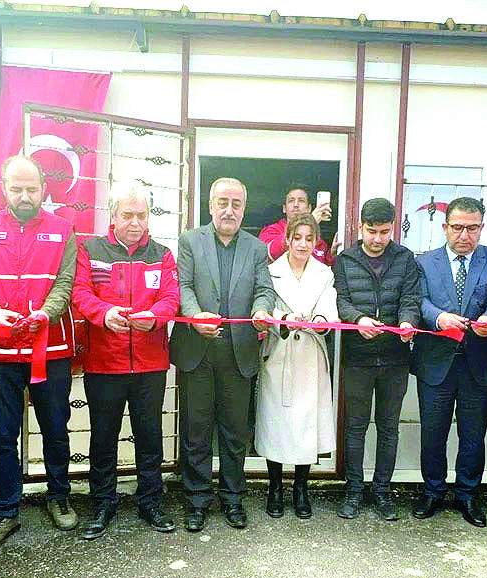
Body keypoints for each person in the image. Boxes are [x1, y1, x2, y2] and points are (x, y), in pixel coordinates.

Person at [0, 155, 80, 552]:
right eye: (17, 189)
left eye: (32, 188)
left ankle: (58, 497)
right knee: (1, 436)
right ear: (4, 187)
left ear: (44, 188)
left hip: (52, 347)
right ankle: (5, 510)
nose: (25, 196)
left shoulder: (64, 229)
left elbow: (66, 280)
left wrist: (48, 311)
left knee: (55, 429)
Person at [71, 181, 180, 539]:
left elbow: (171, 297)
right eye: (127, 215)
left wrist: (157, 317)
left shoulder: (162, 254)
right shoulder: (90, 250)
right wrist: (103, 314)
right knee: (103, 437)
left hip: (150, 364)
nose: (135, 222)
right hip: (105, 363)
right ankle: (103, 502)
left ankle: (150, 500)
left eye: (141, 215)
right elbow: (80, 294)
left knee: (150, 436)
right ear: (113, 216)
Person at [171, 177, 274, 532]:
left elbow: (264, 290)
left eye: (236, 204)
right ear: (211, 205)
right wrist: (194, 314)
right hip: (197, 351)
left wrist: (262, 312)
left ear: (244, 208)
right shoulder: (189, 241)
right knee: (196, 431)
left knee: (234, 433)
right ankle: (197, 500)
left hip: (238, 352)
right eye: (223, 202)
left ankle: (232, 499)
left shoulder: (256, 248)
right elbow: (181, 286)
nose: (229, 210)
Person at [411, 197, 487, 526]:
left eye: (472, 228)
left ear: (481, 228)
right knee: (432, 432)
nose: (464, 234)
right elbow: (419, 301)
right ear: (445, 227)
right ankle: (433, 491)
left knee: (473, 435)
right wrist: (438, 317)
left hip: (478, 364)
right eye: (457, 227)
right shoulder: (425, 262)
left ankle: (468, 495)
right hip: (435, 363)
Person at [333, 197, 420, 520]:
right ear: (360, 226)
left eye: (385, 231)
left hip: (396, 358)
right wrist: (358, 319)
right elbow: (340, 300)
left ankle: (382, 492)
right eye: (372, 231)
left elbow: (411, 297)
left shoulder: (405, 258)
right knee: (355, 427)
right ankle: (354, 491)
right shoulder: (345, 260)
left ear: (393, 228)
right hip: (358, 357)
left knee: (388, 428)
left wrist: (409, 321)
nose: (378, 239)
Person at [256, 212, 339, 519]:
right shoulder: (271, 271)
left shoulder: (324, 273)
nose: (303, 244)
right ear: (288, 240)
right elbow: (265, 304)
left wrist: (320, 322)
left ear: (316, 241)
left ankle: (301, 489)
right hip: (280, 353)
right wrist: (284, 320)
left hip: (310, 358)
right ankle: (274, 488)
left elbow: (329, 306)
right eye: (297, 238)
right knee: (277, 423)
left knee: (306, 425)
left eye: (309, 238)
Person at [258, 182, 336, 266]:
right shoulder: (270, 231)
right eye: (291, 201)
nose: (296, 205)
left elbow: (323, 269)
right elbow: (273, 253)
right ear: (284, 208)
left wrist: (332, 254)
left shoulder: (318, 241)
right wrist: (310, 222)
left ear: (309, 208)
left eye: (301, 201)